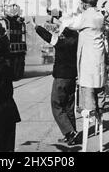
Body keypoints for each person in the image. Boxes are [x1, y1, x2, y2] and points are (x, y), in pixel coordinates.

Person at [32, 14, 79, 145]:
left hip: (61, 77)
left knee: (57, 104)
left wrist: (36, 26)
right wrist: (55, 21)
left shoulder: (61, 41)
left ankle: (70, 131)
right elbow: (62, 25)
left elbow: (47, 37)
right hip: (72, 76)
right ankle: (72, 135)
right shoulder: (76, 37)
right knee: (69, 106)